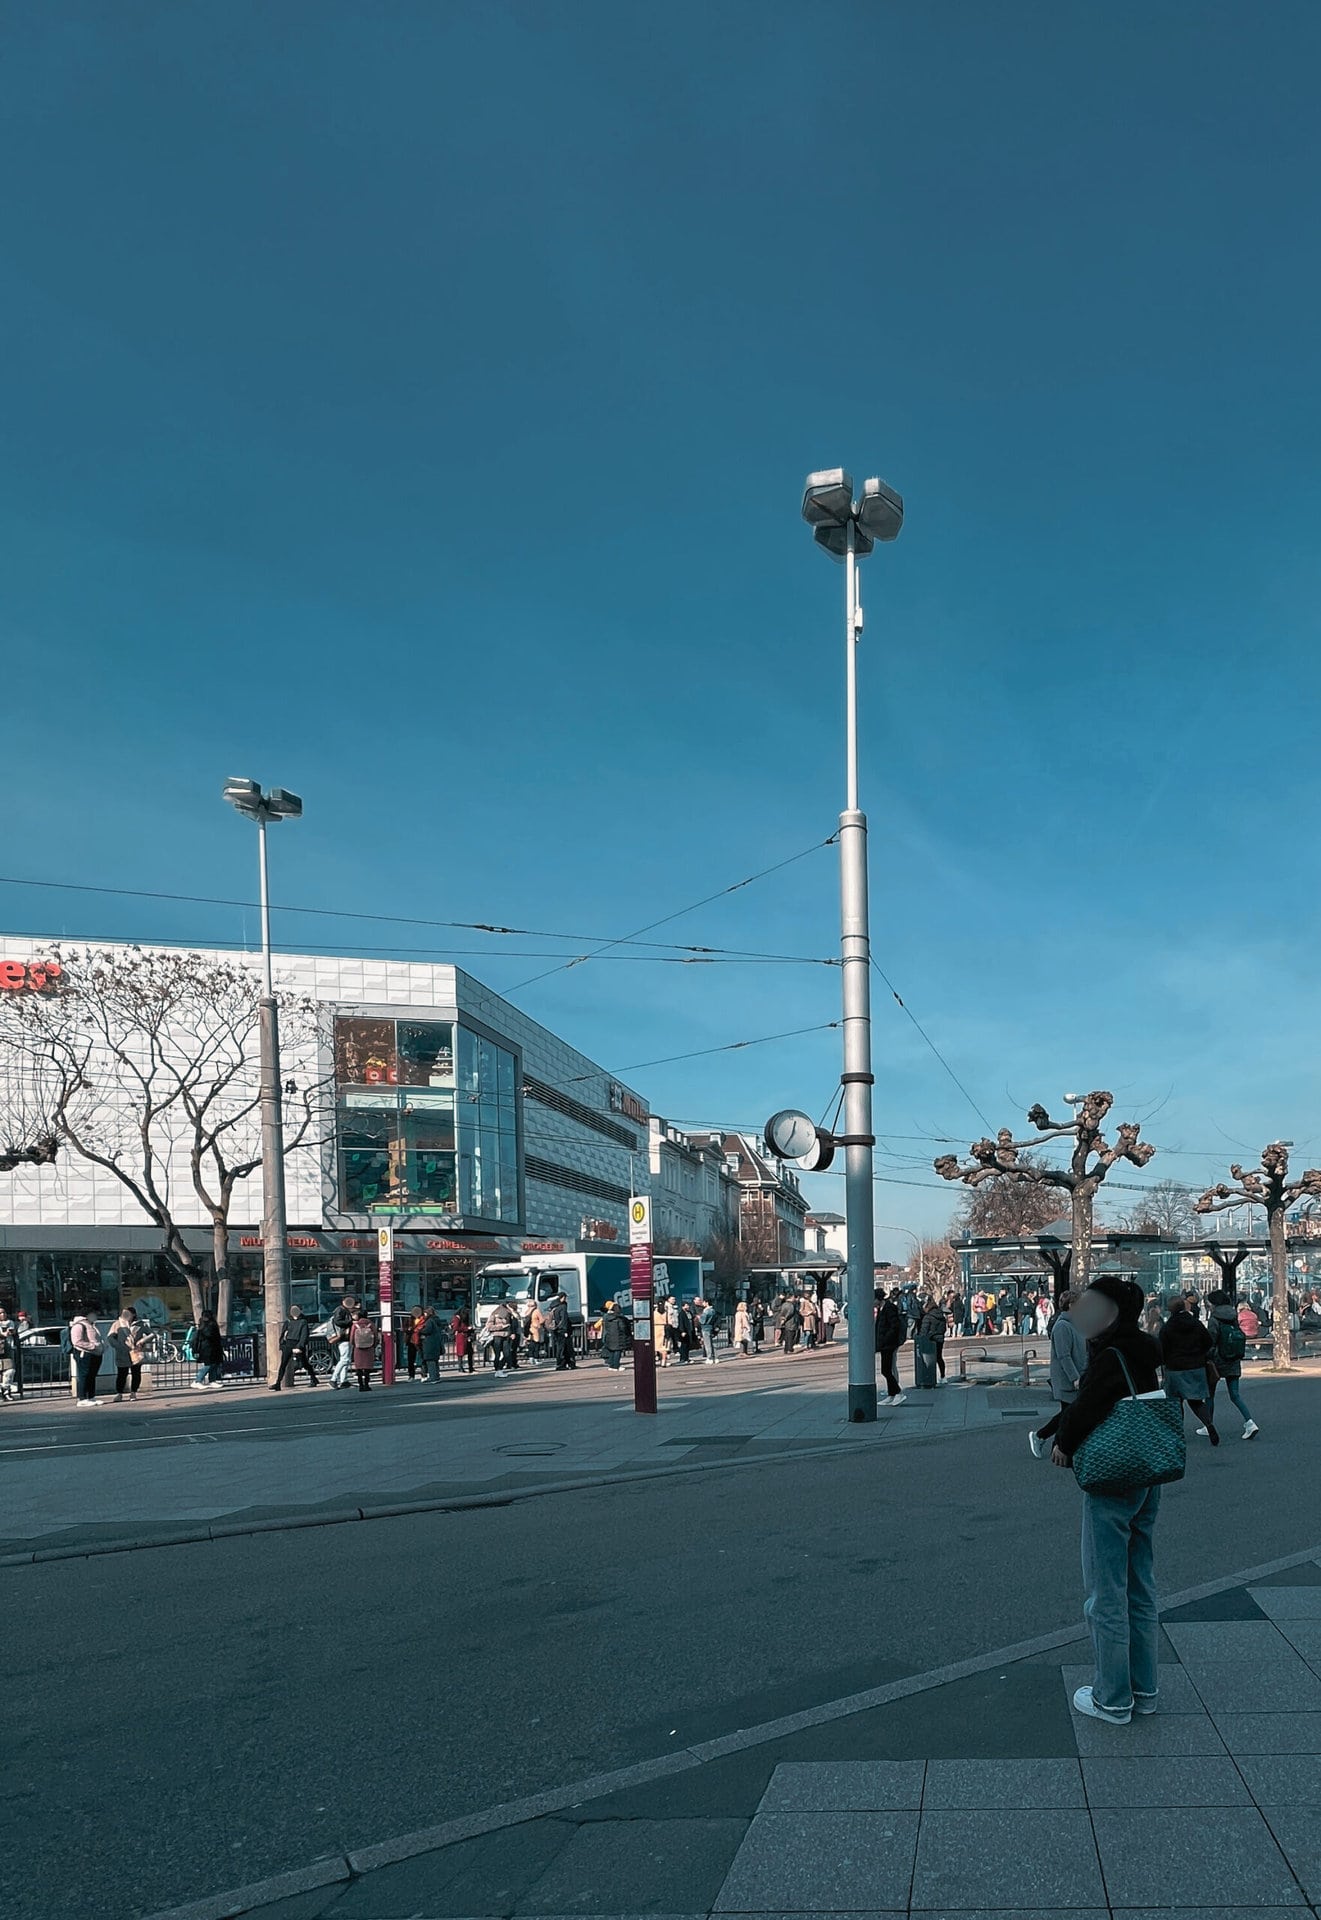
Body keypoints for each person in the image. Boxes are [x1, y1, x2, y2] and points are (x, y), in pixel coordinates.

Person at [1052, 1275, 1168, 1725]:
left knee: (1105, 1593)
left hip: (1113, 1479)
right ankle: (1145, 1689)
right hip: (1147, 1472)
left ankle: (1113, 1698)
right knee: (1140, 1587)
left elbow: (1089, 1408)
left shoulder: (1108, 1356)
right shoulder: (1142, 1349)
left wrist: (1064, 1441)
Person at [1029, 1290, 1090, 1456]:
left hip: (1076, 1377)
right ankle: (1043, 1437)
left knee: (1069, 1415)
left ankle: (1053, 1443)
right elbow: (1064, 1356)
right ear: (1071, 1306)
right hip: (1068, 1380)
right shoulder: (1062, 1326)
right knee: (1068, 1415)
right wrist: (1075, 1378)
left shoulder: (1076, 1324)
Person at [1160, 1293, 1218, 1444]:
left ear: (1169, 1309)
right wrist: (1199, 1355)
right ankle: (1209, 1424)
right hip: (1196, 1367)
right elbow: (1208, 1341)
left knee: (1176, 1403)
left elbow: (1162, 1348)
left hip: (1175, 1368)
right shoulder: (1195, 1323)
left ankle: (1178, 1434)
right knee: (1196, 1401)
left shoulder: (1168, 1327)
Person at [1202, 1290, 1258, 1441]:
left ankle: (1209, 1425)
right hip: (1233, 1359)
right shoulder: (1233, 1315)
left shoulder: (1214, 1318)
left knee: (1210, 1394)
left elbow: (1211, 1339)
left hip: (1217, 1360)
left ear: (1213, 1303)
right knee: (1235, 1395)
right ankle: (1250, 1422)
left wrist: (1208, 1355)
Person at [270, 1304, 319, 1390]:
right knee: (283, 1364)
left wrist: (300, 1346)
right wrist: (282, 1345)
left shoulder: (303, 1321)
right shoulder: (288, 1321)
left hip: (297, 1344)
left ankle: (313, 1378)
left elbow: (304, 1335)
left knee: (305, 1363)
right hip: (288, 1344)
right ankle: (277, 1383)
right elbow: (283, 1333)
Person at [874, 1289, 907, 1405]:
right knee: (886, 1369)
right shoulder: (881, 1309)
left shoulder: (889, 1308)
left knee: (886, 1370)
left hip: (889, 1344)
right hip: (885, 1344)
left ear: (878, 1299)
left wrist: (885, 1339)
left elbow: (894, 1326)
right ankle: (892, 1394)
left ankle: (897, 1392)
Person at [69, 1308, 104, 1406]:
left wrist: (101, 1347)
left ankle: (91, 1397)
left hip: (95, 1353)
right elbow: (77, 1341)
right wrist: (93, 1346)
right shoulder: (79, 1325)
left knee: (91, 1375)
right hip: (84, 1353)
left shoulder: (91, 1325)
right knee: (84, 1375)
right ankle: (82, 1398)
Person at [106, 1309, 143, 1401]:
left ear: (133, 1314)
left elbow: (149, 1334)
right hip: (122, 1353)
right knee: (122, 1374)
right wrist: (119, 1346)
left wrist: (142, 1342)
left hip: (136, 1352)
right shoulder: (117, 1324)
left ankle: (133, 1392)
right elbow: (110, 1337)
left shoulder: (140, 1324)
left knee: (136, 1373)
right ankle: (119, 1393)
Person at [915, 1298, 946, 1388]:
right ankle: (943, 1376)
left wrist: (921, 1337)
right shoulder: (941, 1316)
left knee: (929, 1360)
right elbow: (944, 1329)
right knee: (939, 1357)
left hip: (930, 1340)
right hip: (940, 1339)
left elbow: (924, 1330)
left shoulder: (928, 1317)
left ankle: (930, 1378)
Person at [191, 1310, 226, 1390]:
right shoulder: (210, 1325)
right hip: (208, 1348)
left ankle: (212, 1380)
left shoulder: (203, 1324)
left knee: (214, 1364)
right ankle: (197, 1380)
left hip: (211, 1348)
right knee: (209, 1365)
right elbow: (210, 1336)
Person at [350, 1308, 378, 1390]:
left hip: (358, 1348)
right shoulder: (371, 1324)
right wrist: (374, 1345)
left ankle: (360, 1385)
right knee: (367, 1367)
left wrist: (354, 1345)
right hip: (369, 1348)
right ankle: (367, 1384)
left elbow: (351, 1338)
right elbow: (376, 1336)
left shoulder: (355, 1325)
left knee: (359, 1367)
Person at [487, 1300, 515, 1374]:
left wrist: (511, 1333)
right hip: (497, 1336)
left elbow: (512, 1325)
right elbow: (489, 1327)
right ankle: (497, 1367)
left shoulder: (508, 1314)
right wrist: (501, 1327)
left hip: (506, 1336)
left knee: (507, 1353)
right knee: (497, 1353)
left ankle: (500, 1366)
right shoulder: (493, 1315)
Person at [419, 1307, 445, 1384]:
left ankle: (433, 1377)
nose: (424, 1314)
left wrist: (420, 1330)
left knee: (430, 1361)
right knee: (434, 1361)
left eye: (425, 1313)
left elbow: (427, 1330)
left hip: (429, 1344)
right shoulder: (435, 1320)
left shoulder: (429, 1321)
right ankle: (436, 1376)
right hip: (435, 1344)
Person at [600, 1299, 627, 1370]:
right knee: (617, 1351)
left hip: (609, 1336)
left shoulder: (606, 1317)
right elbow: (622, 1327)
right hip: (618, 1336)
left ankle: (611, 1365)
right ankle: (616, 1366)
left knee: (611, 1351)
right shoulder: (619, 1318)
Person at [0, 1306, 18, 1401]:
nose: (3, 1315)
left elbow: (13, 1332)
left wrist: (11, 1332)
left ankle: (6, 1391)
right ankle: (2, 1393)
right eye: (0, 1313)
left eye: (4, 1312)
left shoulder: (10, 1322)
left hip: (8, 1348)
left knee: (10, 1371)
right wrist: (2, 1334)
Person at [452, 1307, 474, 1374]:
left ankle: (471, 1367)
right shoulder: (457, 1318)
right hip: (461, 1336)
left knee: (470, 1352)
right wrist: (467, 1328)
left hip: (466, 1336)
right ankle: (460, 1367)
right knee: (460, 1353)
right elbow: (456, 1328)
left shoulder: (464, 1318)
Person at [406, 1310, 427, 1381]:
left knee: (422, 1358)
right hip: (411, 1341)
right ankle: (411, 1375)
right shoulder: (409, 1319)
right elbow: (405, 1328)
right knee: (411, 1359)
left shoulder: (424, 1319)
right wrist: (408, 1329)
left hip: (420, 1341)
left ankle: (423, 1374)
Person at [698, 1298, 719, 1365]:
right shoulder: (713, 1310)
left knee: (707, 1344)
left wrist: (699, 1317)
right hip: (711, 1327)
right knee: (711, 1343)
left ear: (706, 1303)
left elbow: (702, 1321)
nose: (703, 1304)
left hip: (705, 1328)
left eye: (703, 1302)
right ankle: (715, 1357)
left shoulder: (706, 1311)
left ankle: (709, 1358)